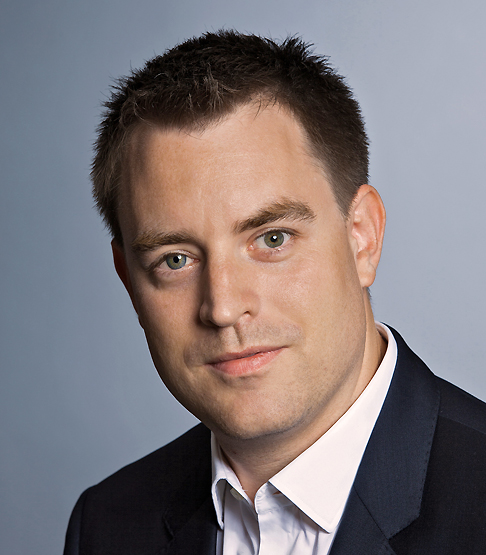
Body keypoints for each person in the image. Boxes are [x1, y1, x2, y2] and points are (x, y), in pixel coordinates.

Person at [64, 30, 486, 554]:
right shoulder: (107, 525)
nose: (223, 308)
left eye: (272, 239)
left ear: (362, 237)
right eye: (175, 259)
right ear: (129, 280)